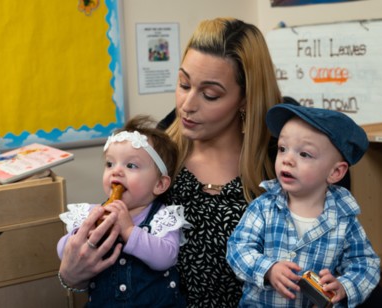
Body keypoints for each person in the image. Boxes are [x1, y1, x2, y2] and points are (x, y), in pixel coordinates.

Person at [159, 17, 282, 307]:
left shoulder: (280, 168)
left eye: (210, 94)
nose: (187, 105)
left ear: (245, 98)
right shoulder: (156, 156)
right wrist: (74, 272)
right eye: (183, 83)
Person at [226, 103, 380, 307]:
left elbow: (366, 264)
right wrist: (268, 269)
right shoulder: (263, 207)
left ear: (335, 172)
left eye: (304, 154)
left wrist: (343, 286)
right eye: (282, 149)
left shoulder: (344, 220)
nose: (287, 159)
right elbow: (237, 248)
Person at [56, 115, 189, 307]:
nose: (116, 171)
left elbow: (166, 257)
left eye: (131, 165)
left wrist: (129, 231)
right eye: (110, 164)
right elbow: (63, 252)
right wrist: (82, 234)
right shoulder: (93, 213)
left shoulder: (162, 217)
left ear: (159, 184)